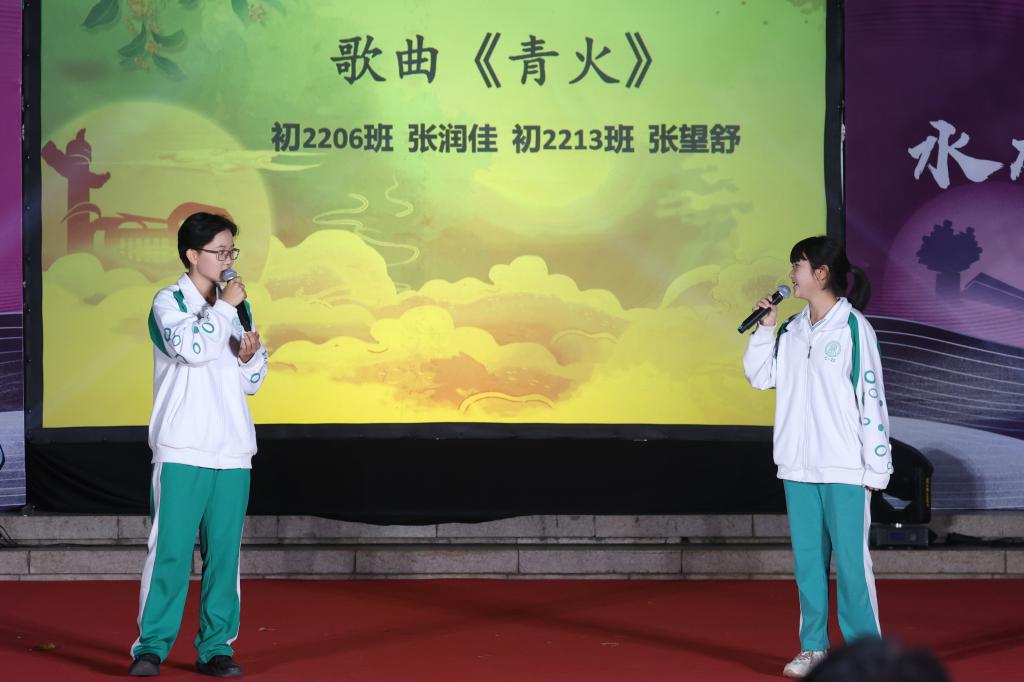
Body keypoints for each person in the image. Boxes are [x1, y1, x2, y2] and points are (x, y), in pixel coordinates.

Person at [743, 235, 893, 679]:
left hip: (845, 467)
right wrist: (765, 328)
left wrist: (878, 465)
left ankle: (867, 654)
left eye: (798, 265)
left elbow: (871, 398)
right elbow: (760, 376)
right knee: (808, 564)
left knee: (851, 566)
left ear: (821, 273)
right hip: (797, 465)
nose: (792, 274)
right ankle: (813, 648)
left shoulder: (853, 328)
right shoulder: (791, 329)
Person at [129, 212, 268, 677]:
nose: (228, 260)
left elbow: (252, 381)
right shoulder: (168, 302)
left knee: (224, 556)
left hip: (232, 449)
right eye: (220, 251)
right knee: (169, 551)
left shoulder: (239, 307)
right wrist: (225, 307)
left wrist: (248, 359)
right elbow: (191, 349)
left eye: (231, 251)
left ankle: (216, 647)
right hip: (183, 446)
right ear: (192, 254)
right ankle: (151, 647)